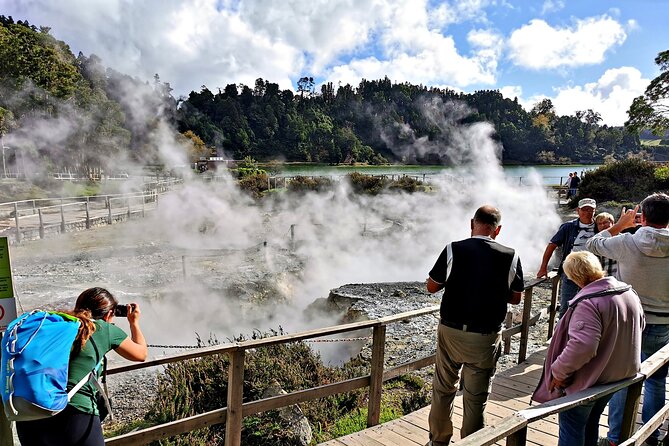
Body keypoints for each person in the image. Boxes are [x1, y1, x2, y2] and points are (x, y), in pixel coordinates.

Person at [425, 205, 524, 445]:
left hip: (451, 330)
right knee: (476, 396)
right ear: (497, 230)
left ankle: (438, 441)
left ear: (472, 223)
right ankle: (472, 442)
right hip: (485, 336)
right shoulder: (510, 255)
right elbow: (516, 297)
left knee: (443, 388)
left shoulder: (454, 249)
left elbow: (432, 286)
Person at [533, 251, 644, 446]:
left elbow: (583, 346)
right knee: (591, 421)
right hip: (617, 376)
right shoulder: (628, 292)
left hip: (590, 380)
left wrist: (558, 372)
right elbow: (640, 325)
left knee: (572, 427)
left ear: (575, 278)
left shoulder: (588, 303)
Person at [15, 287, 148, 446]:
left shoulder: (56, 326)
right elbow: (141, 354)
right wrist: (134, 322)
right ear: (108, 314)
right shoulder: (103, 328)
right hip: (75, 414)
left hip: (29, 412)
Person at [586, 193, 669, 446]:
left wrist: (620, 225)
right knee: (656, 379)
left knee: (621, 378)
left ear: (641, 215)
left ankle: (615, 439)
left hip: (630, 321)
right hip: (664, 323)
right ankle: (652, 435)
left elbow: (592, 245)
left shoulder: (625, 242)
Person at [537, 198, 597, 318]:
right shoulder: (568, 227)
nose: (588, 212)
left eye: (591, 209)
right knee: (566, 306)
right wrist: (543, 267)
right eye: (584, 209)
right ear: (578, 211)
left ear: (595, 211)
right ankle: (562, 334)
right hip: (571, 272)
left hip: (593, 274)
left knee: (590, 308)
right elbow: (552, 245)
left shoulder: (599, 227)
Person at [594, 212, 617, 277]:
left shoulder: (622, 239)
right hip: (604, 280)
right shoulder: (596, 242)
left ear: (612, 223)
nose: (602, 225)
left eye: (605, 222)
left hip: (621, 280)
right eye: (599, 224)